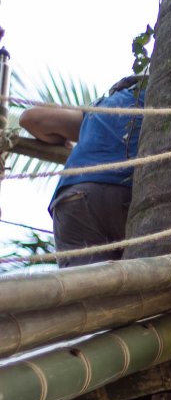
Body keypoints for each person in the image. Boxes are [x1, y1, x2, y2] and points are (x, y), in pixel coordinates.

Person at [20, 75, 145, 267]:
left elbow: (31, 119)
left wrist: (67, 142)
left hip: (75, 198)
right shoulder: (160, 98)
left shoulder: (100, 108)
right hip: (128, 194)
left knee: (84, 291)